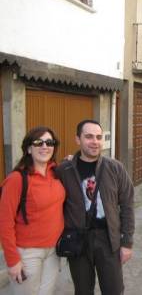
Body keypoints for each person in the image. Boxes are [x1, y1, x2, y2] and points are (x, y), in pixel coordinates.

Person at [56, 120, 134, 295]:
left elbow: (128, 205)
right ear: (78, 139)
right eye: (89, 136)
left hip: (108, 239)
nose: (95, 141)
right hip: (77, 240)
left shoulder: (115, 168)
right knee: (82, 291)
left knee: (114, 290)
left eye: (99, 137)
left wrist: (127, 242)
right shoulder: (64, 171)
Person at [0, 126, 65, 295]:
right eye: (38, 142)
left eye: (49, 142)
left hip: (54, 251)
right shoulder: (16, 179)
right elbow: (5, 222)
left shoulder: (56, 173)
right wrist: (13, 261)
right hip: (28, 253)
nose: (45, 146)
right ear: (29, 148)